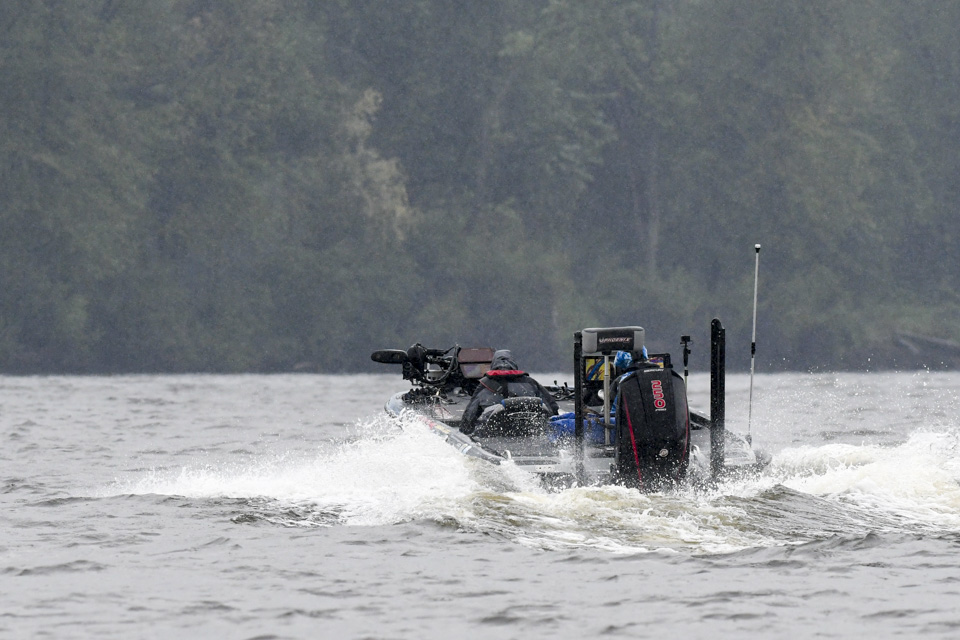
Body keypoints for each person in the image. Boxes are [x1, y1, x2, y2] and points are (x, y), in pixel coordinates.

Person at [460, 350, 559, 434]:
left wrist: (465, 431)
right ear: (514, 363)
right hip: (527, 429)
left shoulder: (484, 384)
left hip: (496, 431)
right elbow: (551, 407)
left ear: (493, 364)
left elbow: (470, 415)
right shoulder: (530, 382)